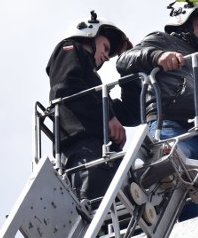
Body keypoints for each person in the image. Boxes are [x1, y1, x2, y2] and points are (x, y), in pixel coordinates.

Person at [116, 0, 198, 220]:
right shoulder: (162, 40)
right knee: (166, 173)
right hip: (170, 127)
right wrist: (158, 56)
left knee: (195, 219)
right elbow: (125, 60)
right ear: (184, 20)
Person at [45, 11, 134, 203]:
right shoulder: (69, 48)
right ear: (89, 34)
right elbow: (66, 87)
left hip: (102, 154)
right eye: (106, 47)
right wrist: (108, 117)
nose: (108, 57)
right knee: (93, 209)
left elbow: (128, 113)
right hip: (85, 152)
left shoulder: (95, 87)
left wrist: (130, 65)